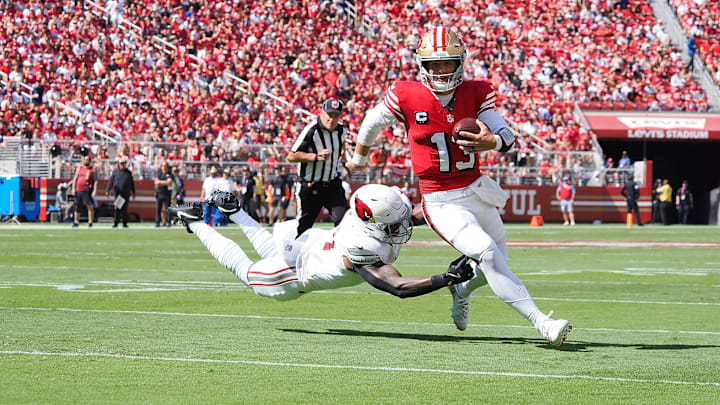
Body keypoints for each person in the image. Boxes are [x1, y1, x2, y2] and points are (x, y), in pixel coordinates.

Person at [346, 27, 571, 346]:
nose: (440, 70)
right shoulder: (406, 94)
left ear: (460, 62)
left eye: (447, 63)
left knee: (494, 263)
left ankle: (461, 289)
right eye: (434, 64)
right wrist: (359, 157)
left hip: (476, 189)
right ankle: (543, 323)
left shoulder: (477, 92)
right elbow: (372, 121)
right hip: (440, 199)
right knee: (489, 256)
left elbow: (505, 133)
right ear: (422, 65)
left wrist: (493, 141)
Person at [167, 184, 474, 301]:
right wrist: (443, 279)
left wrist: (457, 209)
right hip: (289, 277)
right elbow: (396, 286)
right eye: (393, 222)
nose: (402, 224)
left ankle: (235, 213)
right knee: (245, 271)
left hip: (307, 242)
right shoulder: (362, 248)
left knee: (273, 250)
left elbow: (416, 216)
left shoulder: (366, 214)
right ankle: (193, 221)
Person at [288, 97, 349, 237]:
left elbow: (341, 151)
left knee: (344, 221)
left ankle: (336, 254)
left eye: (336, 116)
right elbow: (291, 155)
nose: (332, 119)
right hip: (310, 185)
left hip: (332, 184)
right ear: (321, 112)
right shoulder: (311, 130)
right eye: (329, 115)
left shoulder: (341, 131)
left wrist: (348, 165)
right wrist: (315, 157)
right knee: (303, 228)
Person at [105, 157, 136, 228]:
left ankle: (125, 223)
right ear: (119, 164)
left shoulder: (128, 173)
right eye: (121, 163)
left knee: (125, 209)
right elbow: (111, 182)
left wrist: (133, 192)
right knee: (118, 209)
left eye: (124, 163)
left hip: (126, 193)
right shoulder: (115, 172)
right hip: (118, 193)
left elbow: (131, 183)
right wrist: (108, 190)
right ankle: (116, 223)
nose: (123, 165)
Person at [71, 155, 97, 228]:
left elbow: (95, 181)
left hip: (87, 190)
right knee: (77, 206)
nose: (86, 161)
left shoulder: (92, 170)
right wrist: (73, 188)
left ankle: (90, 221)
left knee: (89, 206)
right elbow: (75, 179)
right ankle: (76, 221)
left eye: (88, 160)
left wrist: (95, 190)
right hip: (79, 189)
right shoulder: (80, 168)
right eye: (85, 160)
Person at [154, 161, 173, 227]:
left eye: (165, 166)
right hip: (159, 193)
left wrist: (160, 183)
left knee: (169, 209)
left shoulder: (170, 174)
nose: (164, 167)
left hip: (167, 194)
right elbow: (156, 182)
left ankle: (169, 222)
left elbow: (169, 182)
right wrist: (164, 182)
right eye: (163, 166)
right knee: (158, 209)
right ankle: (157, 222)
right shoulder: (159, 173)